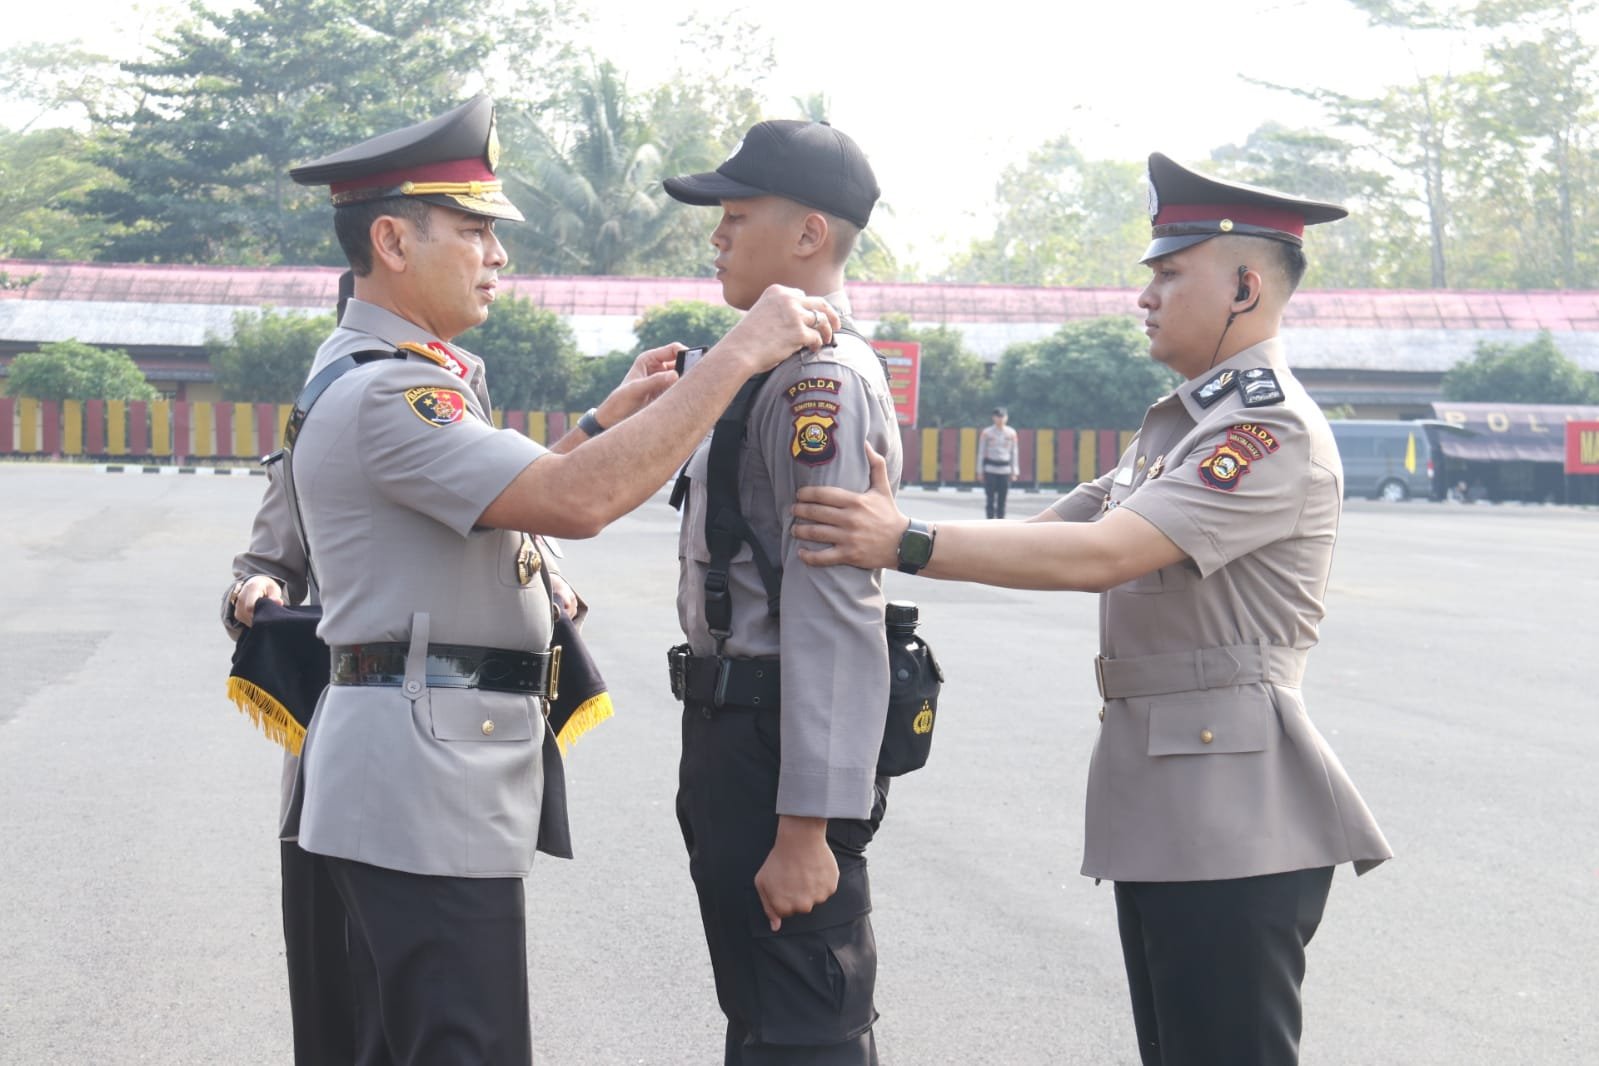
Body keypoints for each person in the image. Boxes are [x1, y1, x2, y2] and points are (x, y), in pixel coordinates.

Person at [222, 95, 840, 1065]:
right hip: (424, 789)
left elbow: (489, 505)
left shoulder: (393, 375)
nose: (497, 256)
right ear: (392, 238)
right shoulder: (394, 389)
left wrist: (601, 423)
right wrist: (737, 356)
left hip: (416, 777)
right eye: (474, 231)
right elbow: (570, 504)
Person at [789, 152, 1392, 1066]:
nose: (1144, 296)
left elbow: (1106, 553)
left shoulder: (1265, 430)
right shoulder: (1186, 423)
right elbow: (1055, 528)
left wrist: (903, 540)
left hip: (1235, 811)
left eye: (1168, 273)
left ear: (1242, 284)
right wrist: (897, 531)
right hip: (1175, 799)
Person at [660, 119, 903, 1065]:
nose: (715, 236)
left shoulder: (821, 385)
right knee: (762, 1014)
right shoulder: (760, 364)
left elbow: (837, 611)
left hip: (777, 744)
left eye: (735, 216)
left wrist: (811, 826)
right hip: (734, 732)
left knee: (805, 1022)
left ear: (808, 235)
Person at [977, 405, 1020, 518]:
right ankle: (989, 522)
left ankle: (1001, 523)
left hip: (1005, 470)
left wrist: (1014, 471)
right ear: (993, 418)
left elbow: (1014, 452)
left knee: (1002, 500)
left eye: (1002, 416)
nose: (1000, 419)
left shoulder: (1011, 433)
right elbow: (981, 452)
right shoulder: (987, 433)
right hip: (990, 469)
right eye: (998, 416)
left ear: (1006, 418)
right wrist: (980, 471)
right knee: (990, 499)